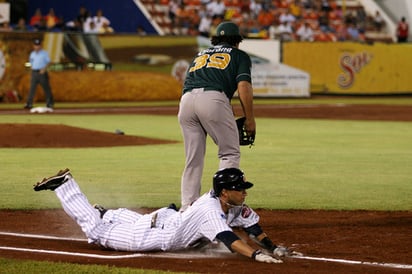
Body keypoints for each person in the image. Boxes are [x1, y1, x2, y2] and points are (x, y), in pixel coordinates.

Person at [33, 167, 295, 263]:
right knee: (96, 232)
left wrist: (273, 247)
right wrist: (256, 254)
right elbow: (229, 239)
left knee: (138, 221)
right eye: (240, 189)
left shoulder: (233, 204)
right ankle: (65, 186)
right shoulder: (210, 210)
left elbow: (252, 229)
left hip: (168, 220)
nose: (244, 193)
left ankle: (109, 214)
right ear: (225, 192)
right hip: (152, 235)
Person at [178, 21, 256, 211]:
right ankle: (224, 207)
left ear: (216, 39)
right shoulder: (239, 55)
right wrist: (250, 118)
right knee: (229, 152)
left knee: (193, 158)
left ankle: (187, 208)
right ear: (237, 41)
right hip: (213, 98)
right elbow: (243, 86)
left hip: (186, 101)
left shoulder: (199, 54)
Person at [24, 39, 54, 110]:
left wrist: (44, 69)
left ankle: (49, 103)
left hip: (41, 72)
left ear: (40, 46)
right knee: (32, 88)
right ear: (33, 46)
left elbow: (49, 62)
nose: (37, 47)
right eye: (35, 45)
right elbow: (31, 62)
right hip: (34, 72)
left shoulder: (44, 53)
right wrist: (31, 68)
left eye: (38, 45)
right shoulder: (32, 54)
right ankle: (29, 103)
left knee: (46, 88)